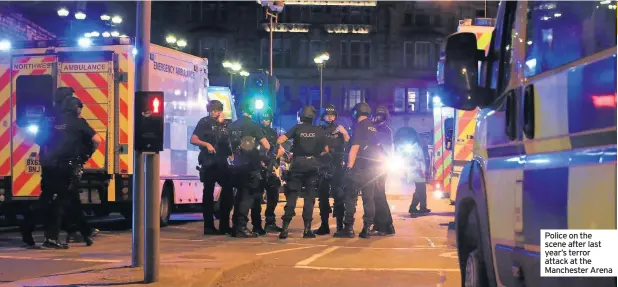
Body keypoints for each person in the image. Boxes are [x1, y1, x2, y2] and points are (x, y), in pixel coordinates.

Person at [22, 91, 102, 249]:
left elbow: (39, 140)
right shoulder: (78, 122)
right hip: (68, 166)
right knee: (63, 201)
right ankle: (52, 238)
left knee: (51, 199)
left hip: (49, 165)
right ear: (75, 108)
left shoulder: (49, 119)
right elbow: (97, 140)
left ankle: (27, 228)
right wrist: (86, 154)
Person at [276, 106, 328, 239]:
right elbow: (326, 150)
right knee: (309, 197)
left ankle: (285, 229)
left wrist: (281, 148)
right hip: (312, 165)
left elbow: (280, 140)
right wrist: (315, 154)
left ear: (301, 116)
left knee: (292, 195)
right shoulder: (319, 130)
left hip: (297, 164)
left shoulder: (297, 128)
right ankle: (307, 230)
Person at [333, 102, 382, 239]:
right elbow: (378, 148)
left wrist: (349, 168)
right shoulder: (373, 127)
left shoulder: (359, 126)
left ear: (356, 113)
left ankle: (348, 228)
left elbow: (354, 148)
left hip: (358, 169)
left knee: (350, 197)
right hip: (372, 170)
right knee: (369, 199)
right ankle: (366, 229)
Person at [190, 100, 234, 235]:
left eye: (216, 110)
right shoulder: (204, 122)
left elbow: (229, 141)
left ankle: (224, 225)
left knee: (228, 192)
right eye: (212, 110)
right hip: (209, 163)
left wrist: (232, 154)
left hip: (222, 162)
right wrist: (206, 144)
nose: (214, 113)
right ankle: (208, 226)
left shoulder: (226, 124)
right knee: (208, 195)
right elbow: (193, 139)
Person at [228, 101, 271, 238]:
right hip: (250, 166)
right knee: (247, 197)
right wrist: (258, 154)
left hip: (235, 166)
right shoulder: (253, 125)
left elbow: (227, 145)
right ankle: (241, 227)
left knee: (238, 196)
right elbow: (267, 145)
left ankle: (235, 226)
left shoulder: (232, 125)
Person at [314, 104, 349, 235]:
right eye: (328, 115)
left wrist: (344, 133)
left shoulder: (339, 130)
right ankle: (324, 225)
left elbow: (348, 144)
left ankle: (340, 225)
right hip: (323, 166)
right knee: (322, 197)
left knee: (339, 196)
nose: (330, 117)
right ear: (323, 116)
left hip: (337, 167)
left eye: (332, 115)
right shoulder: (319, 130)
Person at [251, 109, 283, 234]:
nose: (265, 121)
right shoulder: (256, 130)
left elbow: (276, 148)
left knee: (273, 195)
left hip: (271, 166)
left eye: (267, 119)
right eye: (263, 119)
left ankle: (270, 222)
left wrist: (277, 157)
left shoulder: (273, 132)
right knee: (257, 198)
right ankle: (257, 225)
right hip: (258, 166)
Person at [371, 106, 396, 236]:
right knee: (376, 196)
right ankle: (380, 224)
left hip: (379, 166)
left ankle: (386, 225)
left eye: (380, 116)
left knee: (378, 196)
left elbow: (381, 147)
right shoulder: (379, 129)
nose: (376, 118)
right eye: (376, 116)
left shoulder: (384, 130)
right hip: (377, 165)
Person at [399, 128, 431, 215]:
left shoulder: (418, 147)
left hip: (418, 172)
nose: (426, 140)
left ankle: (422, 207)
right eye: (425, 139)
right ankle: (413, 208)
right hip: (417, 172)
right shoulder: (416, 148)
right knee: (420, 190)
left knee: (421, 190)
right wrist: (421, 170)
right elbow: (415, 161)